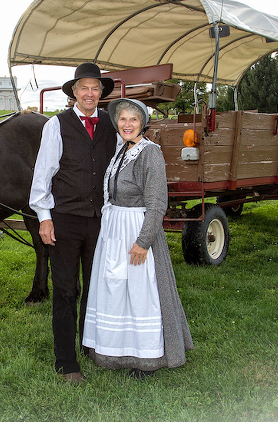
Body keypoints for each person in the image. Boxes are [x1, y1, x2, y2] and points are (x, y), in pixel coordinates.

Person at [82, 98, 194, 379]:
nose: (127, 124)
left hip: (136, 228)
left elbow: (157, 203)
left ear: (143, 123)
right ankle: (111, 349)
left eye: (133, 119)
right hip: (115, 230)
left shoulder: (150, 153)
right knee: (115, 289)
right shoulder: (121, 150)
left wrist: (143, 242)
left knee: (140, 293)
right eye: (122, 119)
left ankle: (146, 357)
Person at [29, 62, 118, 384]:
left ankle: (91, 344)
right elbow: (43, 174)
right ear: (74, 92)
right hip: (65, 220)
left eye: (95, 88)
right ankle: (66, 360)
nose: (90, 93)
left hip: (101, 221)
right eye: (84, 88)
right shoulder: (57, 125)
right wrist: (44, 218)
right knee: (66, 290)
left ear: (101, 93)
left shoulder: (112, 124)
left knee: (97, 288)